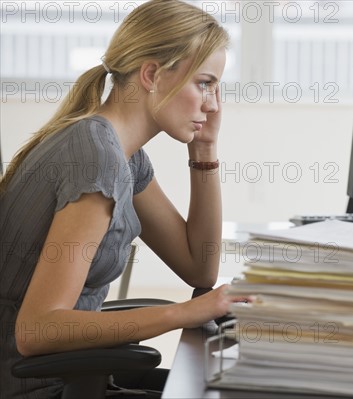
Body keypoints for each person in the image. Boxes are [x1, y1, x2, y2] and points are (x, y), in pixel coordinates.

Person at [0, 1, 250, 397]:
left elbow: (199, 267)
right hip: (33, 386)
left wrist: (204, 151)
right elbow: (36, 331)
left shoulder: (123, 156)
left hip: (62, 376)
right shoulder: (96, 157)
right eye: (204, 83)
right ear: (151, 74)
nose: (213, 103)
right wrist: (183, 313)